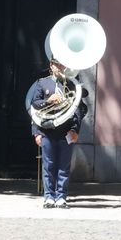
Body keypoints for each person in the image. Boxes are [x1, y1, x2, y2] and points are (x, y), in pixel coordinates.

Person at [28, 57, 86, 209]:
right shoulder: (42, 83)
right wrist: (48, 102)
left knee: (64, 166)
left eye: (62, 64)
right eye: (57, 64)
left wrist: (75, 130)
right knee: (49, 165)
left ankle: (61, 197)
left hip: (65, 131)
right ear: (51, 65)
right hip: (47, 131)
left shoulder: (72, 85)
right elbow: (34, 106)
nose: (60, 67)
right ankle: (49, 197)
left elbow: (77, 111)